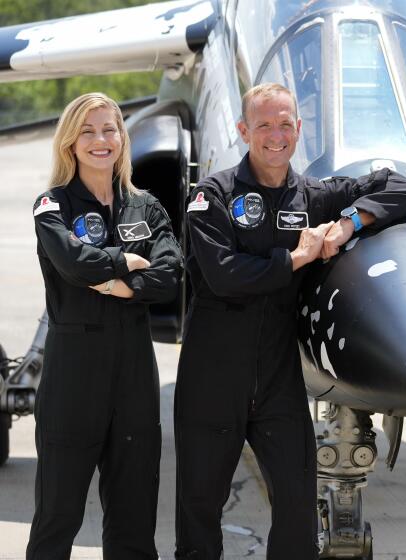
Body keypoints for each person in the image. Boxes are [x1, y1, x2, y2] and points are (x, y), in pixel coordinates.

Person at [174, 83, 406, 559]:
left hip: (277, 380)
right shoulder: (212, 196)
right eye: (264, 125)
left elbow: (403, 187)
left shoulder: (313, 195)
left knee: (297, 505)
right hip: (212, 376)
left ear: (298, 129)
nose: (275, 135)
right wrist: (296, 258)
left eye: (285, 124)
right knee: (200, 509)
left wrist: (349, 223)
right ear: (244, 130)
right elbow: (224, 276)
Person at [28, 92, 182, 558]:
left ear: (122, 137)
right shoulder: (52, 206)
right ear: (70, 142)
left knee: (135, 522)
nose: (101, 140)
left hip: (134, 376)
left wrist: (119, 284)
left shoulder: (147, 207)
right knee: (58, 515)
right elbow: (73, 262)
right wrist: (125, 260)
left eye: (109, 129)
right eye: (89, 131)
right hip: (74, 375)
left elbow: (171, 274)